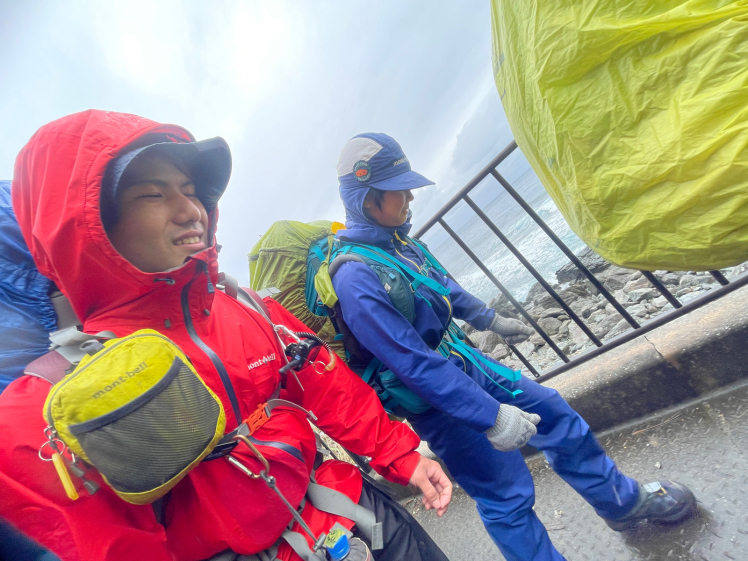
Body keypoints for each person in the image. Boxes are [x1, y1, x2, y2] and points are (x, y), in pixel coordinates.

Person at [0, 111, 453, 561]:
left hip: (347, 512)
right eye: (153, 193)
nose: (190, 210)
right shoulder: (46, 407)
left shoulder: (246, 307)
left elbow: (324, 383)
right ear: (88, 224)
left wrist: (402, 456)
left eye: (193, 191)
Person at [330, 132, 698, 561]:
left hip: (468, 362)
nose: (410, 196)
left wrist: (490, 318)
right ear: (365, 198)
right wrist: (490, 415)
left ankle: (623, 502)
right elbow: (413, 363)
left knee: (555, 412)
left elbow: (441, 284)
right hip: (437, 401)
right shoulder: (354, 277)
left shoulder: (400, 242)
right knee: (504, 493)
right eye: (398, 191)